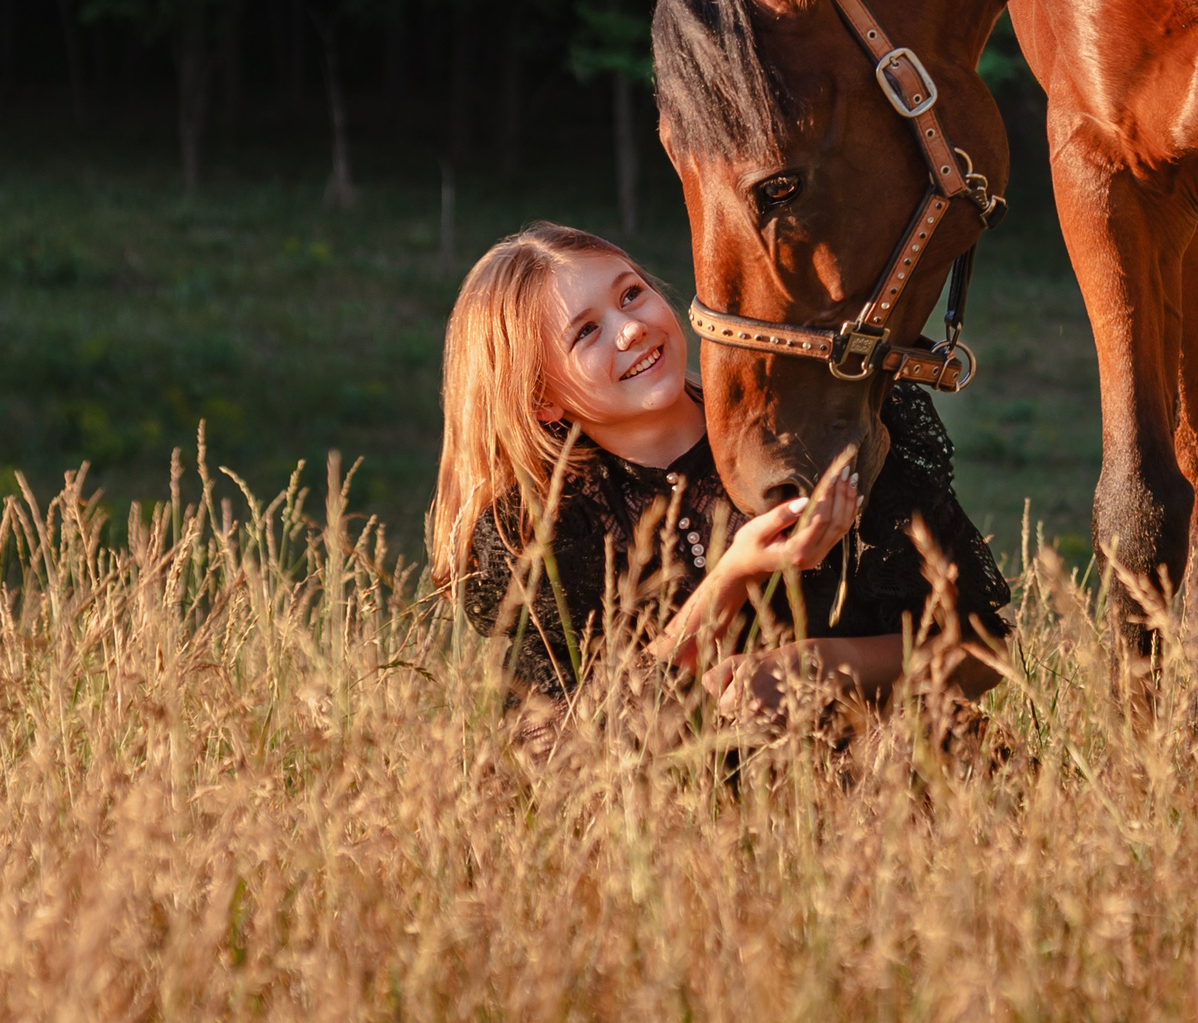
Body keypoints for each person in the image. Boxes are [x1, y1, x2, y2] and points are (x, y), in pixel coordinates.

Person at [427, 221, 1009, 717]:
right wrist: (736, 576)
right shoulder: (537, 533)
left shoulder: (816, 432)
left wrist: (824, 664)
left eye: (631, 294)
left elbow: (984, 654)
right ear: (542, 400)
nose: (630, 328)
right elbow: (583, 750)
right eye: (586, 331)